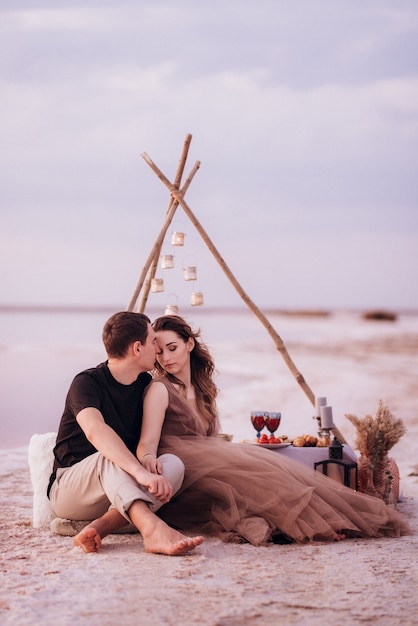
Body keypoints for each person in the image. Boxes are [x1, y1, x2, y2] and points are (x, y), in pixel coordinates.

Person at [136, 314, 410, 545]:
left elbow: (209, 438)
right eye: (158, 352)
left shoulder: (203, 388)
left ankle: (325, 520)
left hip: (207, 462)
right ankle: (311, 525)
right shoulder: (160, 389)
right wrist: (148, 464)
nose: (165, 358)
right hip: (181, 469)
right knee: (255, 481)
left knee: (269, 472)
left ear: (190, 344)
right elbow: (147, 443)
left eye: (172, 348)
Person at [48, 311, 203, 555]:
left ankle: (101, 525)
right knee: (107, 457)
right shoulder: (87, 382)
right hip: (71, 490)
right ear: (137, 348)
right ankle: (151, 528)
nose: (158, 349)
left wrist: (149, 465)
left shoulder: (144, 385)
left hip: (117, 489)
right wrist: (141, 474)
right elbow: (95, 430)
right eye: (153, 341)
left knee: (173, 465)